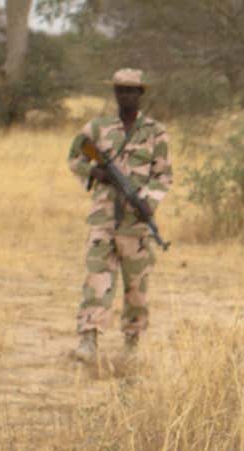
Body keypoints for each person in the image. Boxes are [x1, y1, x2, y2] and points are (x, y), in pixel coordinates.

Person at [67, 68, 173, 365]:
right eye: (120, 90)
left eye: (131, 90)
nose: (125, 95)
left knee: (136, 285)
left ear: (140, 93)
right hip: (103, 219)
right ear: (114, 93)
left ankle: (132, 341)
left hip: (135, 225)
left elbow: (164, 175)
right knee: (96, 278)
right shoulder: (97, 129)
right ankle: (88, 338)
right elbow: (74, 159)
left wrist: (148, 202)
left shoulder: (155, 133)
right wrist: (95, 172)